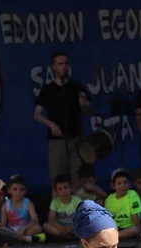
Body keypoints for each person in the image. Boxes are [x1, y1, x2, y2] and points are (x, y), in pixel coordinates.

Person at [34, 51, 91, 185]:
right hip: (57, 140)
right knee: (58, 179)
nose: (63, 67)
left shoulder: (76, 87)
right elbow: (37, 114)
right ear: (53, 67)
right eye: (60, 64)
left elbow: (89, 110)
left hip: (76, 138)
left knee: (78, 178)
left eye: (66, 64)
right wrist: (51, 125)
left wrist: (83, 105)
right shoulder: (48, 89)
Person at [0, 175, 43, 242]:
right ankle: (25, 239)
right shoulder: (6, 205)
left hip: (25, 230)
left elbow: (35, 220)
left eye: (21, 189)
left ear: (26, 191)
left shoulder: (28, 203)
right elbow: (3, 223)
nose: (18, 192)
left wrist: (24, 227)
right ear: (9, 190)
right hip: (11, 230)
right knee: (0, 228)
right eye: (15, 189)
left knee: (38, 228)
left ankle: (15, 238)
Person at [104, 169, 141, 240]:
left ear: (129, 184)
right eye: (119, 183)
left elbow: (135, 215)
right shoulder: (109, 199)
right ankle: (113, 236)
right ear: (113, 185)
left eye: (125, 182)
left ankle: (113, 238)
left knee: (135, 230)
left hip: (128, 228)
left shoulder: (133, 194)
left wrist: (140, 234)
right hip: (114, 228)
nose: (123, 185)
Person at [43, 174, 82, 240]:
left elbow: (82, 217)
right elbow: (50, 220)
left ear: (71, 188)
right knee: (45, 226)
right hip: (60, 229)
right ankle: (68, 237)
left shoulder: (77, 200)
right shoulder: (55, 202)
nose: (63, 191)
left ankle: (67, 236)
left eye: (66, 188)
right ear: (56, 191)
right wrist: (60, 227)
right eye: (60, 189)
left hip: (73, 228)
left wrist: (71, 227)